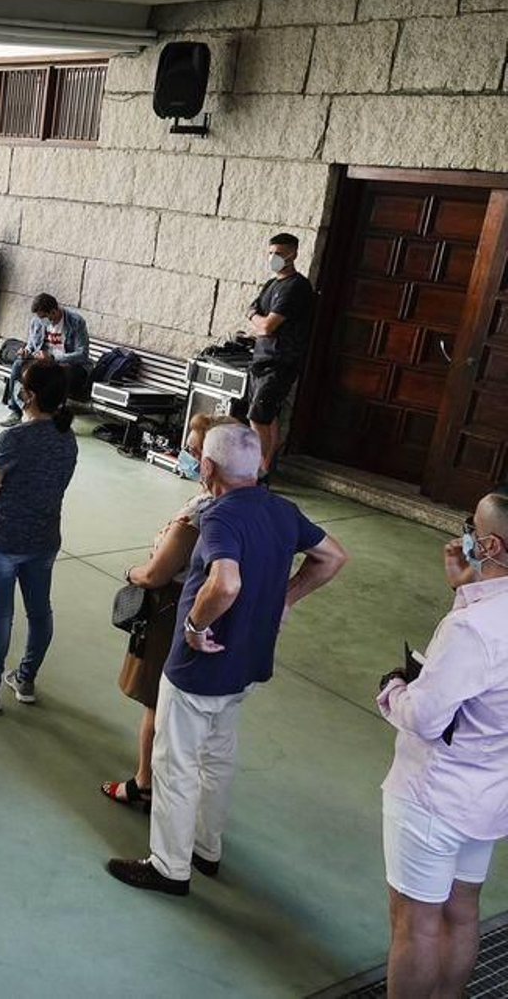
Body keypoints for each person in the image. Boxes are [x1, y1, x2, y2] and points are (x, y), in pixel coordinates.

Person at [107, 425, 348, 896]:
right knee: (218, 756)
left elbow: (226, 583)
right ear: (258, 466)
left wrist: (195, 627)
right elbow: (332, 556)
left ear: (209, 468)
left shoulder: (220, 517)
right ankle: (205, 848)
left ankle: (168, 866)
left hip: (200, 666)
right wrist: (286, 598)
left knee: (175, 763)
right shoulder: (283, 510)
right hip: (248, 660)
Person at [378, 492, 508, 997]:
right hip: (490, 791)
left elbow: (425, 718)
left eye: (471, 527)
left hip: (434, 795)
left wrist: (393, 689)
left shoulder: (471, 630)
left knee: (416, 923)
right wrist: (466, 588)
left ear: (492, 544)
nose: (466, 536)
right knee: (462, 910)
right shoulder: (481, 616)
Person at [101, 414, 245, 811]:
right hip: (225, 624)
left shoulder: (201, 513)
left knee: (157, 702)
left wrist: (130, 572)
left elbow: (157, 573)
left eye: (196, 451)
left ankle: (146, 783)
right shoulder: (248, 508)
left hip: (174, 609)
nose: (189, 457)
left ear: (212, 460)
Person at [0, 360, 79, 713]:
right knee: (40, 612)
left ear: (30, 395)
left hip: (4, 538)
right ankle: (25, 678)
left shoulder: (15, 438)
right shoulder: (68, 438)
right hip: (45, 537)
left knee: (0, 616)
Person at [248, 232, 316, 479]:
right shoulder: (271, 284)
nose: (272, 258)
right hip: (261, 359)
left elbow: (266, 326)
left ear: (293, 254)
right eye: (269, 253)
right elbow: (252, 310)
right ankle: (267, 467)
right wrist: (258, 319)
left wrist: (258, 321)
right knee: (269, 416)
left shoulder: (296, 286)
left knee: (257, 417)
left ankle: (255, 472)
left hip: (280, 362)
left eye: (277, 253)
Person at [0, 293, 90, 428]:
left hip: (68, 363)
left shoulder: (75, 322)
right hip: (42, 360)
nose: (40, 320)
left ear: (53, 312)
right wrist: (26, 351)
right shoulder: (37, 321)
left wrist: (54, 358)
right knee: (19, 364)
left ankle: (56, 414)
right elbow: (32, 344)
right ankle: (15, 411)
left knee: (62, 374)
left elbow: (82, 354)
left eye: (43, 317)